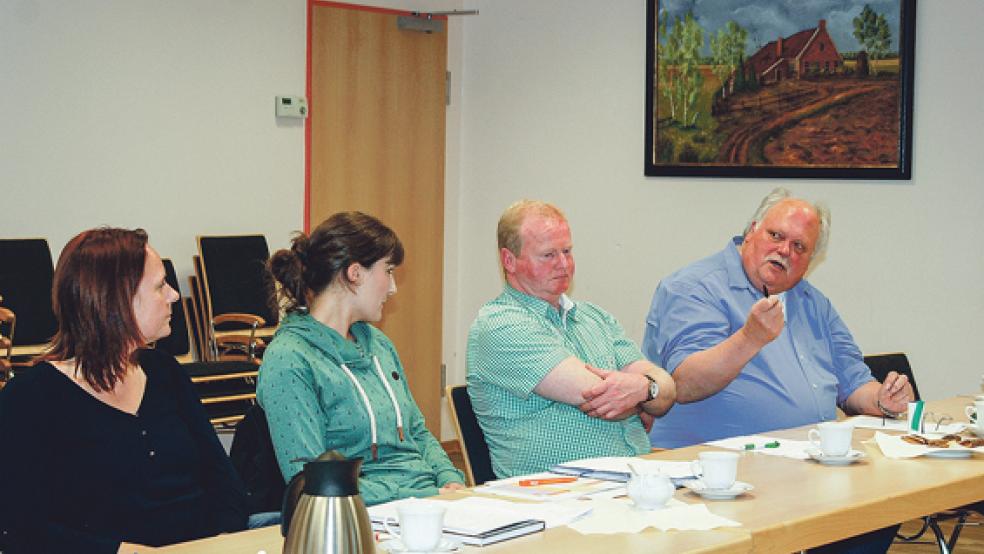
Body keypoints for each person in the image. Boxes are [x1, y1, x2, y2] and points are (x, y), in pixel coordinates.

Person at [643, 189, 911, 554]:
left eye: (799, 246)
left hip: (801, 472)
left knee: (880, 511)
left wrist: (883, 398)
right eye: (776, 236)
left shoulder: (813, 303)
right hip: (712, 476)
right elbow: (684, 384)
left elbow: (854, 383)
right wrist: (750, 338)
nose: (785, 250)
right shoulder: (693, 288)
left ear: (812, 260)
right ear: (752, 230)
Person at [0, 228, 249, 554]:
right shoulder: (31, 398)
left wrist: (220, 541)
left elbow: (225, 484)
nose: (174, 295)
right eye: (161, 286)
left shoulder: (165, 373)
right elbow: (19, 528)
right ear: (118, 301)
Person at [258, 211, 465, 506]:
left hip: (424, 503)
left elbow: (416, 429)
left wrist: (450, 480)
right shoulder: (290, 359)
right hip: (363, 514)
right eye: (388, 270)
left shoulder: (378, 344)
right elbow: (312, 482)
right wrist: (420, 495)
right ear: (355, 273)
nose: (393, 288)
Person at [467, 200, 676, 478]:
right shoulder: (500, 325)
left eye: (567, 251)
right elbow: (603, 399)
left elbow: (669, 390)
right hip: (555, 495)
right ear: (509, 261)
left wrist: (645, 390)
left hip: (634, 481)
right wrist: (649, 392)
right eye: (548, 255)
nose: (564, 265)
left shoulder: (595, 317)